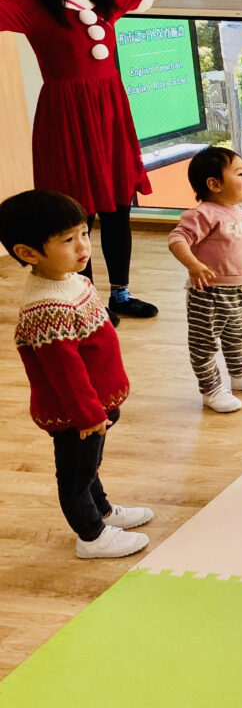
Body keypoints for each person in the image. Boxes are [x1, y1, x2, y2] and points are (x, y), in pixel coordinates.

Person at [0, 0, 212, 324]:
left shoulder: (103, 0)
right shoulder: (30, 5)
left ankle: (121, 294)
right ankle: (85, 299)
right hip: (66, 116)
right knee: (75, 213)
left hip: (110, 111)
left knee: (118, 205)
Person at [0, 189, 153, 558]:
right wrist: (87, 414)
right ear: (28, 253)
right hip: (77, 414)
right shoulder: (47, 306)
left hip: (95, 406)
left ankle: (102, 511)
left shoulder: (74, 281)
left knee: (89, 466)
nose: (83, 245)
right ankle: (91, 536)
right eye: (68, 240)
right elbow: (64, 372)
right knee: (76, 476)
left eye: (84, 232)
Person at [167, 146, 242, 413]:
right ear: (214, 184)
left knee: (236, 336)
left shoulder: (236, 212)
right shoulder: (204, 213)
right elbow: (177, 239)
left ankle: (240, 374)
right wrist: (193, 265)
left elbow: (232, 246)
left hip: (241, 292)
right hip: (210, 294)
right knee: (204, 344)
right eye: (240, 174)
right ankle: (211, 389)